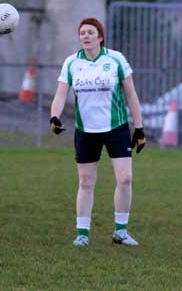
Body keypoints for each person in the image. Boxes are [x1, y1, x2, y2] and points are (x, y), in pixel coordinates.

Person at [50, 17, 146, 247]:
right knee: (85, 182)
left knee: (125, 179)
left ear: (100, 36)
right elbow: (61, 93)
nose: (85, 36)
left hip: (116, 128)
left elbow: (131, 94)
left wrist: (139, 127)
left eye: (90, 32)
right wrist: (54, 116)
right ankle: (82, 234)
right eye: (82, 32)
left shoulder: (116, 59)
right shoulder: (72, 63)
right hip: (85, 130)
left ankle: (120, 232)